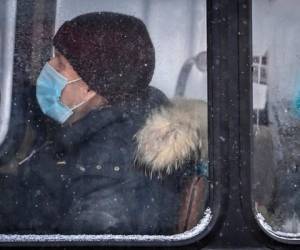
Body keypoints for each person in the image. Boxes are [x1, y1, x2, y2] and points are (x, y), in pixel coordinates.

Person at [16, 12, 208, 235]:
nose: (48, 66)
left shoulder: (108, 166)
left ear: (92, 84)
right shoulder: (106, 129)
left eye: (60, 63)